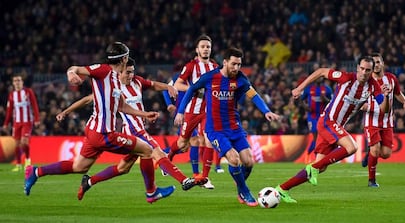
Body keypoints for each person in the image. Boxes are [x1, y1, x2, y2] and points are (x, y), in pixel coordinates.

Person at [24, 42, 203, 202]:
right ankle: (152, 193)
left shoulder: (117, 79)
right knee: (148, 150)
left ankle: (36, 172)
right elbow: (75, 68)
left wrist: (143, 114)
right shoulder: (104, 71)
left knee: (80, 166)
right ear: (124, 58)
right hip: (104, 133)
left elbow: (122, 107)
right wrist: (71, 74)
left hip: (95, 131)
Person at [275, 56, 391, 203]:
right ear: (357, 68)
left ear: (371, 72)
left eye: (368, 70)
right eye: (362, 69)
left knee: (321, 167)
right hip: (327, 121)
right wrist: (300, 88)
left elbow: (384, 109)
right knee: (352, 147)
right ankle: (314, 168)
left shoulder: (374, 86)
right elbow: (322, 71)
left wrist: (386, 97)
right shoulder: (346, 78)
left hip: (335, 127)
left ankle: (283, 189)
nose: (364, 72)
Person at [175, 47, 280, 207]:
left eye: (239, 64)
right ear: (225, 62)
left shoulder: (241, 79)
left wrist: (266, 111)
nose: (236, 68)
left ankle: (240, 186)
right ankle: (244, 191)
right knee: (233, 158)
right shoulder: (210, 77)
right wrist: (181, 111)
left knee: (249, 161)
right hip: (215, 130)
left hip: (234, 127)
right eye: (233, 64)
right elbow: (191, 89)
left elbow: (254, 96)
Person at [169, 34, 219, 189]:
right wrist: (194, 89)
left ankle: (204, 178)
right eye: (203, 47)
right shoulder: (191, 66)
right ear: (197, 50)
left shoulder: (215, 67)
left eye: (208, 47)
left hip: (208, 111)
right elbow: (177, 84)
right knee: (183, 142)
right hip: (192, 110)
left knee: (208, 140)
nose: (205, 49)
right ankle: (168, 156)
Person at [361, 53, 405, 187]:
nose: (376, 65)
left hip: (387, 122)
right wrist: (372, 107)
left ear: (382, 63)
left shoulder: (391, 78)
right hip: (372, 121)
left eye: (378, 62)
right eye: (374, 63)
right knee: (376, 150)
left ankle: (370, 154)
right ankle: (371, 180)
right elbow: (359, 103)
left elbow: (397, 93)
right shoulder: (367, 81)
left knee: (386, 154)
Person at [2, 73, 40, 172]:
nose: (17, 82)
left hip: (27, 121)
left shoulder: (28, 92)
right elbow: (9, 110)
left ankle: (27, 160)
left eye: (19, 80)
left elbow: (34, 105)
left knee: (24, 142)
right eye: (15, 81)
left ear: (22, 82)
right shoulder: (12, 95)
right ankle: (18, 164)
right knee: (17, 144)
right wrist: (6, 123)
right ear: (13, 83)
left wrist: (37, 119)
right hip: (16, 122)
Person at [300, 77, 332, 162]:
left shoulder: (327, 89)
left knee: (320, 137)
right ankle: (312, 156)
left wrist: (325, 99)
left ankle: (312, 154)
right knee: (315, 137)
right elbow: (300, 100)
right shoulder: (308, 89)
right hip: (312, 116)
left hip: (323, 116)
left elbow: (332, 102)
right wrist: (306, 107)